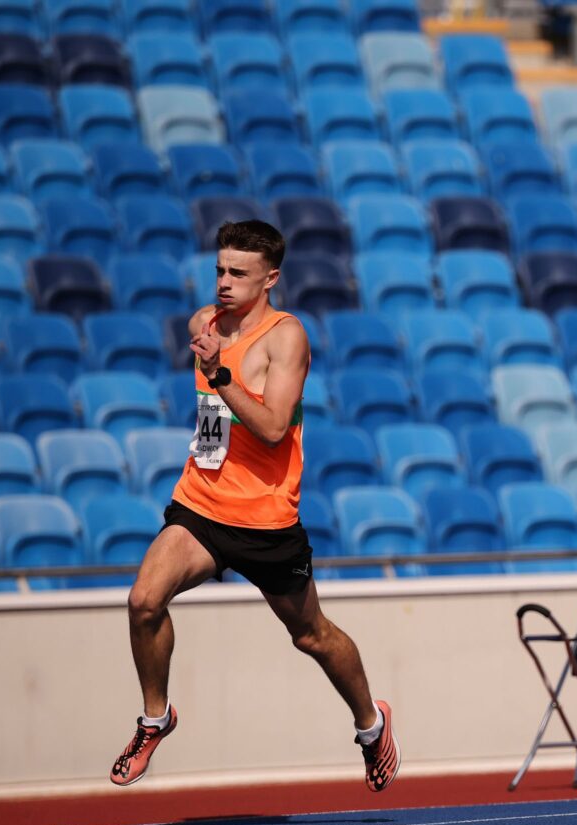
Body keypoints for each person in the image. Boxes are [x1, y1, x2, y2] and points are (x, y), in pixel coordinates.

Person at [110, 219, 401, 793]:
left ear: (270, 279)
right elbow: (212, 415)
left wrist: (219, 373)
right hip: (201, 503)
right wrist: (214, 371)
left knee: (311, 635)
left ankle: (371, 724)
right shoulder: (204, 323)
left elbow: (271, 429)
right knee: (144, 601)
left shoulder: (286, 337)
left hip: (266, 519)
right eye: (220, 270)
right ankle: (155, 718)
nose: (224, 282)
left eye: (238, 273)